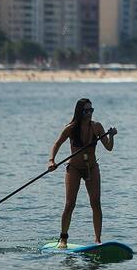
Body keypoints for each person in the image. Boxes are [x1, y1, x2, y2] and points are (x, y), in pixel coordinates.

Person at [48, 98, 115, 247]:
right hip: (74, 169)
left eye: (91, 110)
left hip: (92, 169)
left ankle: (97, 240)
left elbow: (109, 148)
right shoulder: (71, 128)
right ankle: (63, 239)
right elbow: (57, 144)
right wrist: (52, 161)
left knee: (95, 203)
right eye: (86, 111)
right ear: (80, 112)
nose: (89, 113)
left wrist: (111, 136)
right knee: (70, 204)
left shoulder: (97, 127)